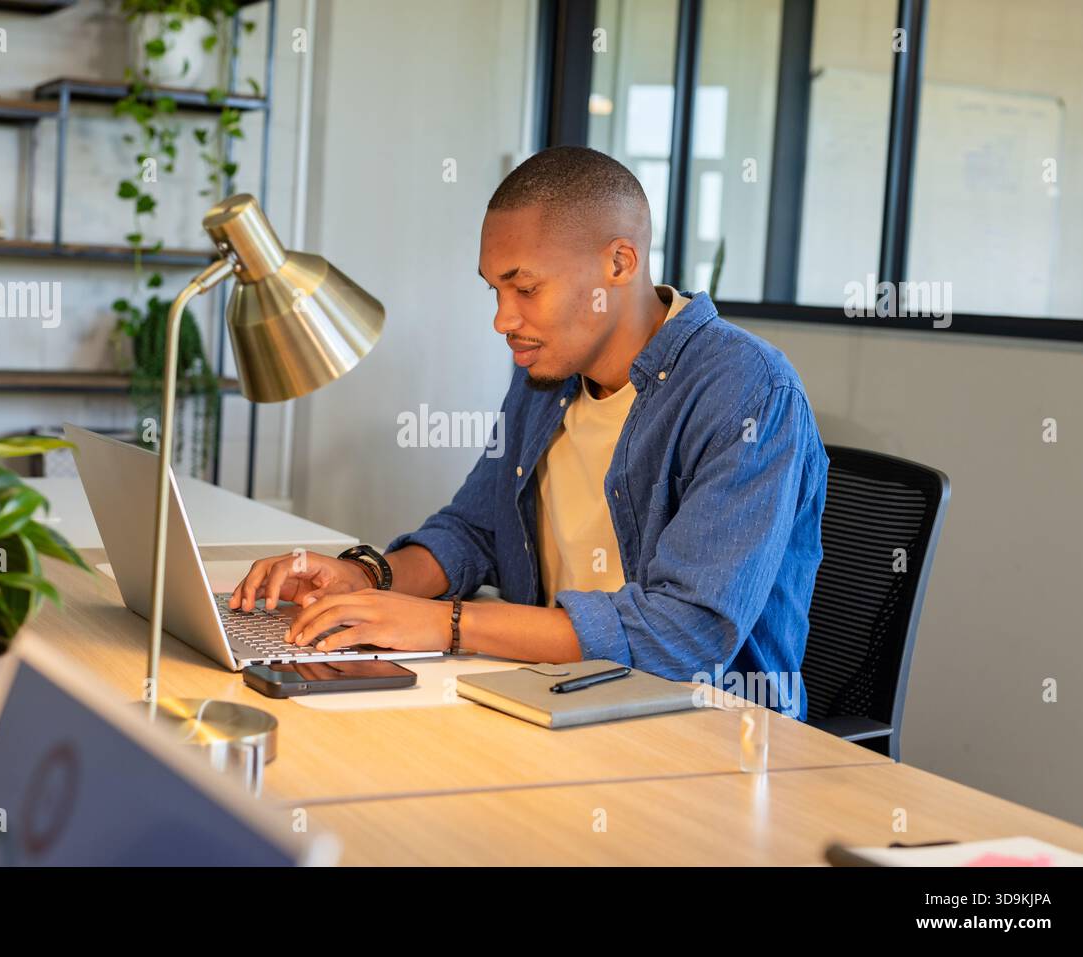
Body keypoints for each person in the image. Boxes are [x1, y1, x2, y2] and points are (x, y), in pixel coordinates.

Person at [232, 145, 828, 718]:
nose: (502, 319)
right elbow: (477, 530)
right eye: (495, 290)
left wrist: (447, 624)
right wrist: (367, 578)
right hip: (548, 699)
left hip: (702, 735)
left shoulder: (747, 391)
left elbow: (683, 635)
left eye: (526, 288)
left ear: (618, 264)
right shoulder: (548, 374)